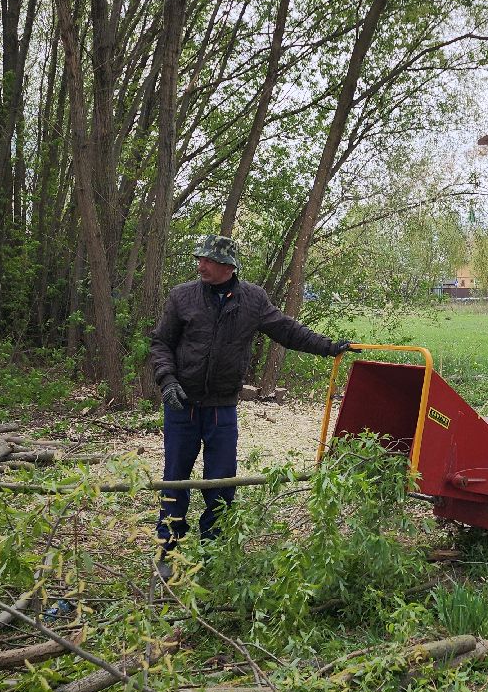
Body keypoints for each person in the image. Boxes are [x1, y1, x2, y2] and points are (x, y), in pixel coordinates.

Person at [148, 235, 354, 575]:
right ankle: (168, 549)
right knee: (175, 479)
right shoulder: (181, 297)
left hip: (222, 408)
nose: (201, 265)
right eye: (199, 259)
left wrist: (329, 347)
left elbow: (288, 331)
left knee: (222, 481)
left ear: (229, 267)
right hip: (181, 406)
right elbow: (161, 344)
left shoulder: (253, 300)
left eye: (208, 261)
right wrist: (167, 381)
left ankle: (215, 551)